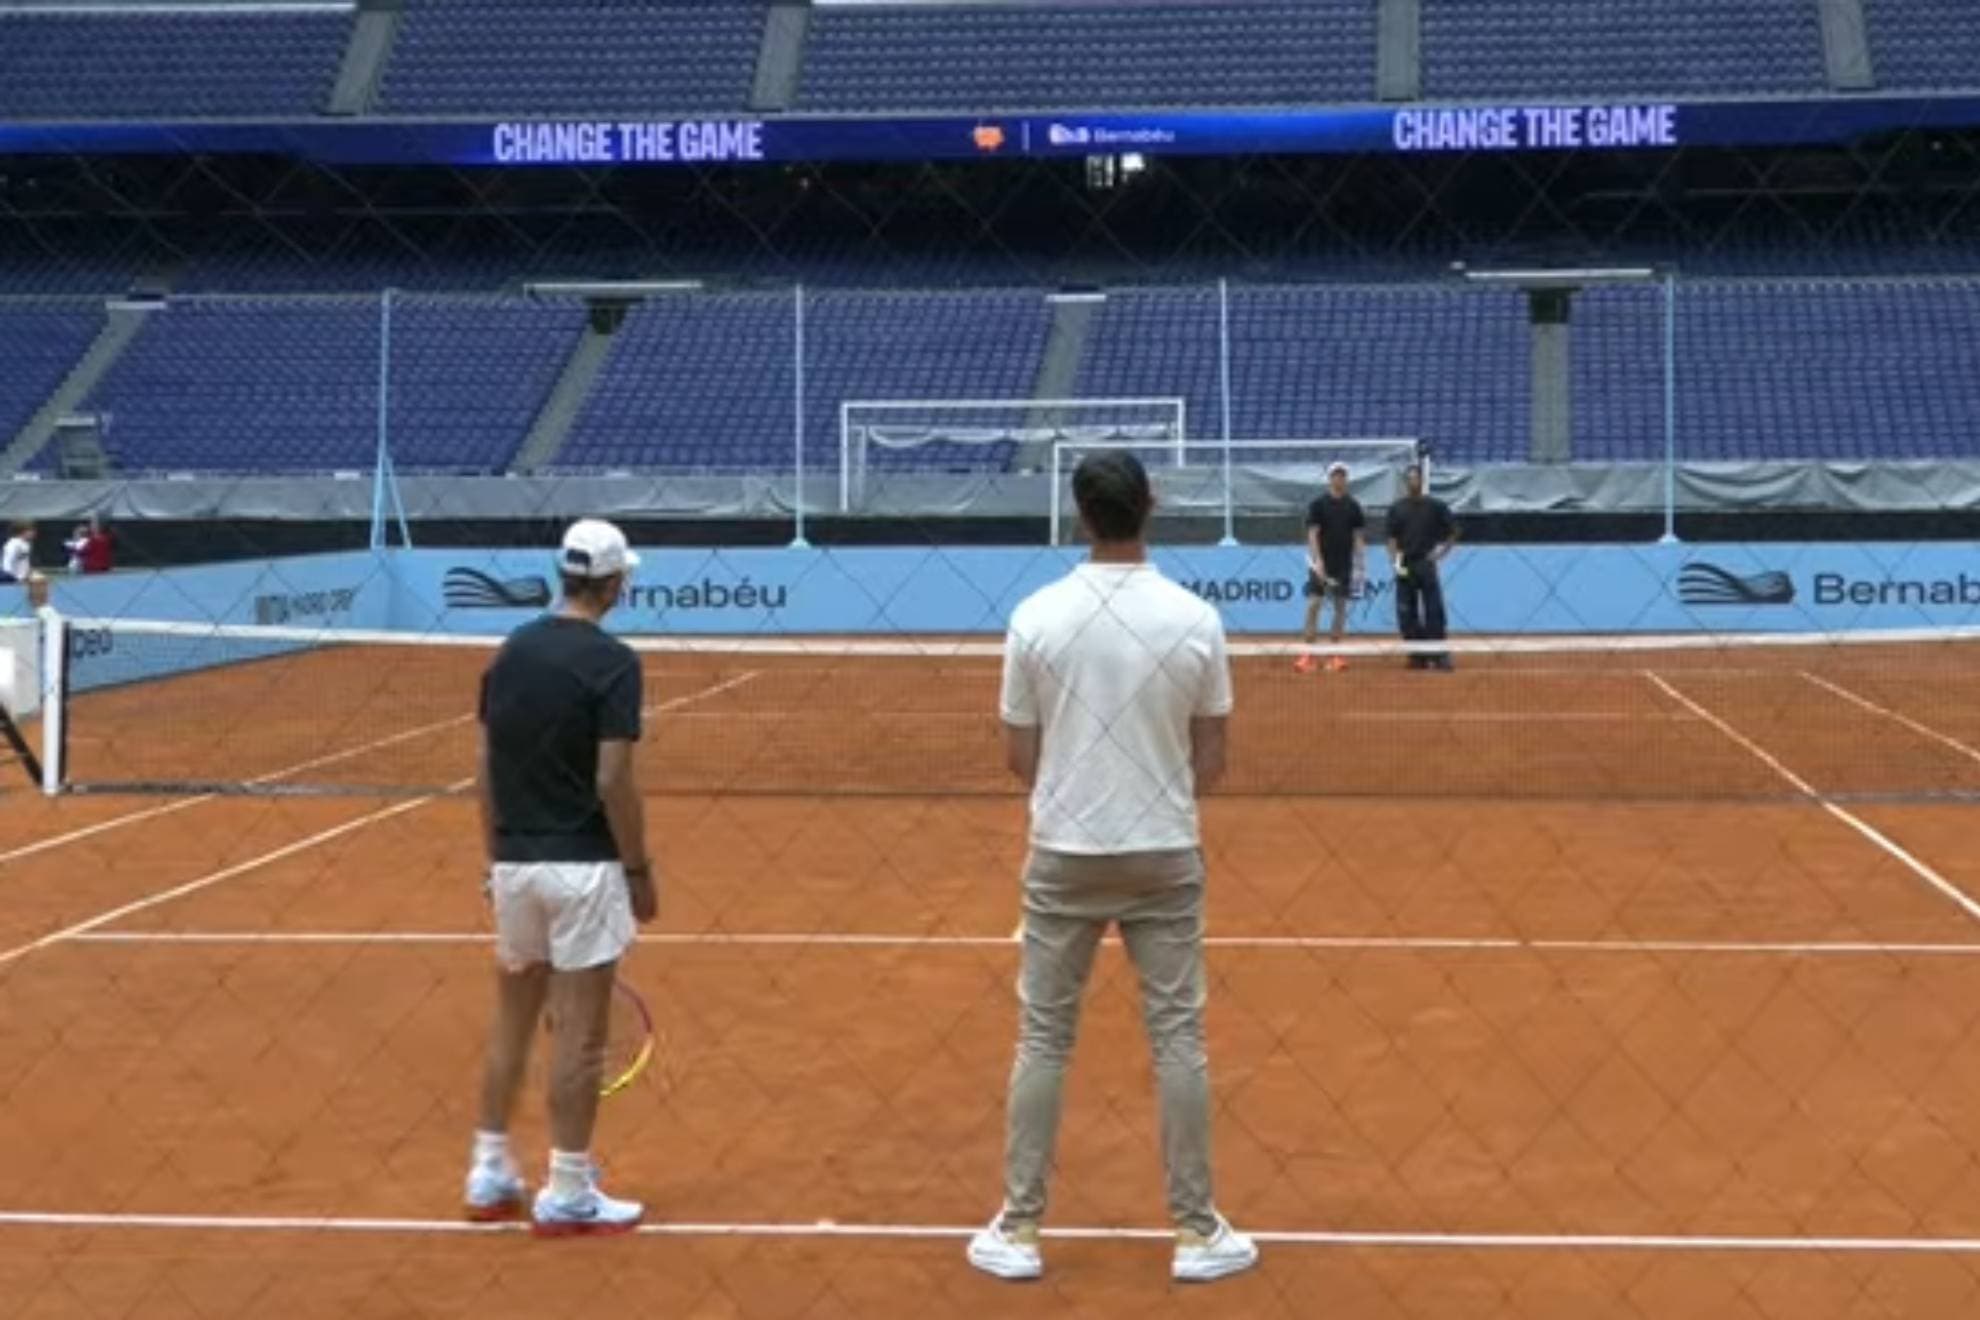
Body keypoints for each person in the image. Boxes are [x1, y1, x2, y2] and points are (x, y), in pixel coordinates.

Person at [970, 451, 1259, 1286]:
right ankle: (1198, 1233)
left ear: (1079, 512)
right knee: (1179, 1040)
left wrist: (1082, 789)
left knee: (1043, 1037)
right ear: (1152, 505)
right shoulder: (1195, 618)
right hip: (1165, 851)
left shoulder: (1035, 616)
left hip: (1063, 850)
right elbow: (1212, 760)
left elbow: (1019, 756)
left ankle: (1019, 1229)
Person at [464, 518, 658, 1237]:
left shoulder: (510, 654)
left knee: (512, 1018)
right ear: (612, 584)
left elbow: (483, 769)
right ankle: (569, 1187)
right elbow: (613, 777)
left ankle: (489, 1172)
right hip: (583, 866)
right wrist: (638, 869)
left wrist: (495, 860)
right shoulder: (613, 662)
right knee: (579, 1035)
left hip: (514, 862)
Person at [1384, 464, 1459, 671]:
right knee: (1406, 612)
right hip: (1405, 564)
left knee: (1434, 609)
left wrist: (1440, 554)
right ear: (1405, 482)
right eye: (1409, 478)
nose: (1412, 482)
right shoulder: (1397, 508)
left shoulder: (1436, 506)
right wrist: (1396, 563)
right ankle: (1417, 654)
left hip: (1425, 564)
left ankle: (1439, 653)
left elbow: (1453, 532)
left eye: (1416, 478)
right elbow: (1391, 539)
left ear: (1422, 481)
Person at [1295, 462, 1366, 674]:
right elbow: (1313, 534)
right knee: (1314, 605)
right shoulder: (1318, 505)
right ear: (1329, 478)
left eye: (1343, 475)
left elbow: (1358, 537)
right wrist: (1318, 561)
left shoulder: (1354, 506)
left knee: (1340, 608)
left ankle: (1336, 654)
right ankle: (1308, 654)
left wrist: (1360, 563)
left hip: (1344, 564)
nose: (1339, 479)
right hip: (1321, 564)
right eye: (1336, 475)